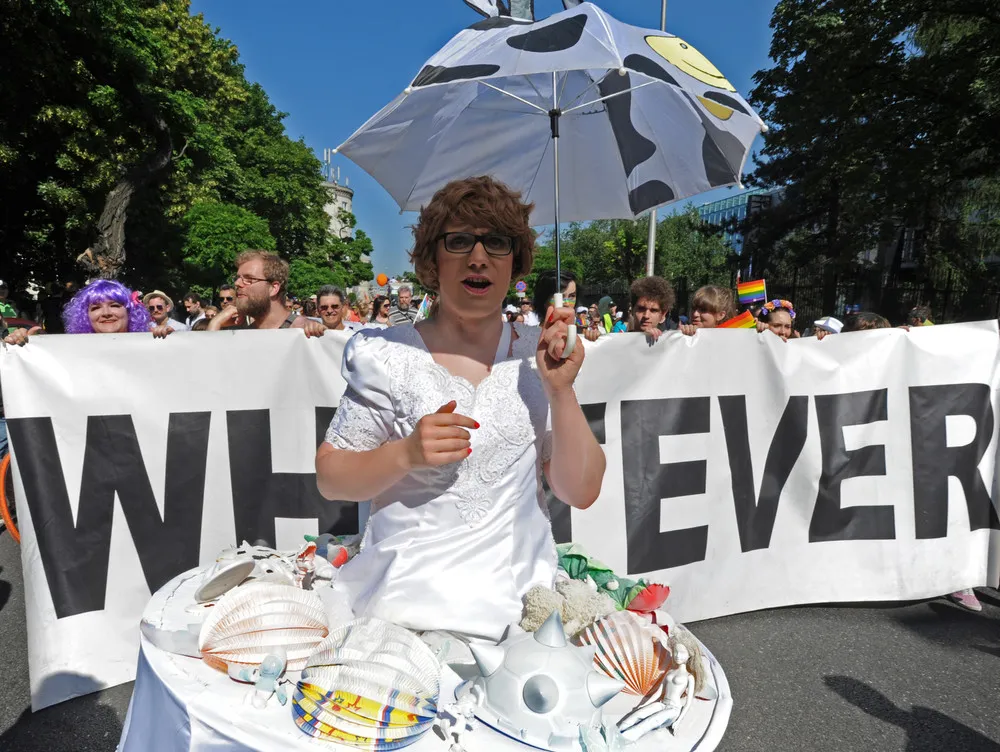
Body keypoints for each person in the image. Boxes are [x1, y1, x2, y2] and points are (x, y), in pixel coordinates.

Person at [315, 175, 604, 640]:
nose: (478, 257)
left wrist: (561, 393)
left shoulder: (543, 354)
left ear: (516, 262)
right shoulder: (388, 355)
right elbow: (330, 478)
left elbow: (581, 491)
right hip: (402, 608)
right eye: (459, 241)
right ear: (432, 260)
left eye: (496, 242)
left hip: (525, 609)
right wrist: (404, 455)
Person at [3, 280, 171, 343]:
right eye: (96, 308)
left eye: (114, 305)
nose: (106, 312)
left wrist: (166, 342)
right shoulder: (69, 352)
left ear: (129, 312)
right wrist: (24, 346)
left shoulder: (150, 342)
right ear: (86, 317)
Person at [207, 250, 325, 336]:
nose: (237, 283)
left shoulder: (305, 331)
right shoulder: (240, 333)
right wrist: (216, 323)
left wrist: (318, 334)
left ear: (273, 288)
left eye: (249, 279)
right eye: (237, 278)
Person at [628, 276, 675, 343]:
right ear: (632, 310)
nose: (646, 316)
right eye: (641, 309)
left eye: (653, 310)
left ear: (663, 315)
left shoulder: (670, 344)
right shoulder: (618, 342)